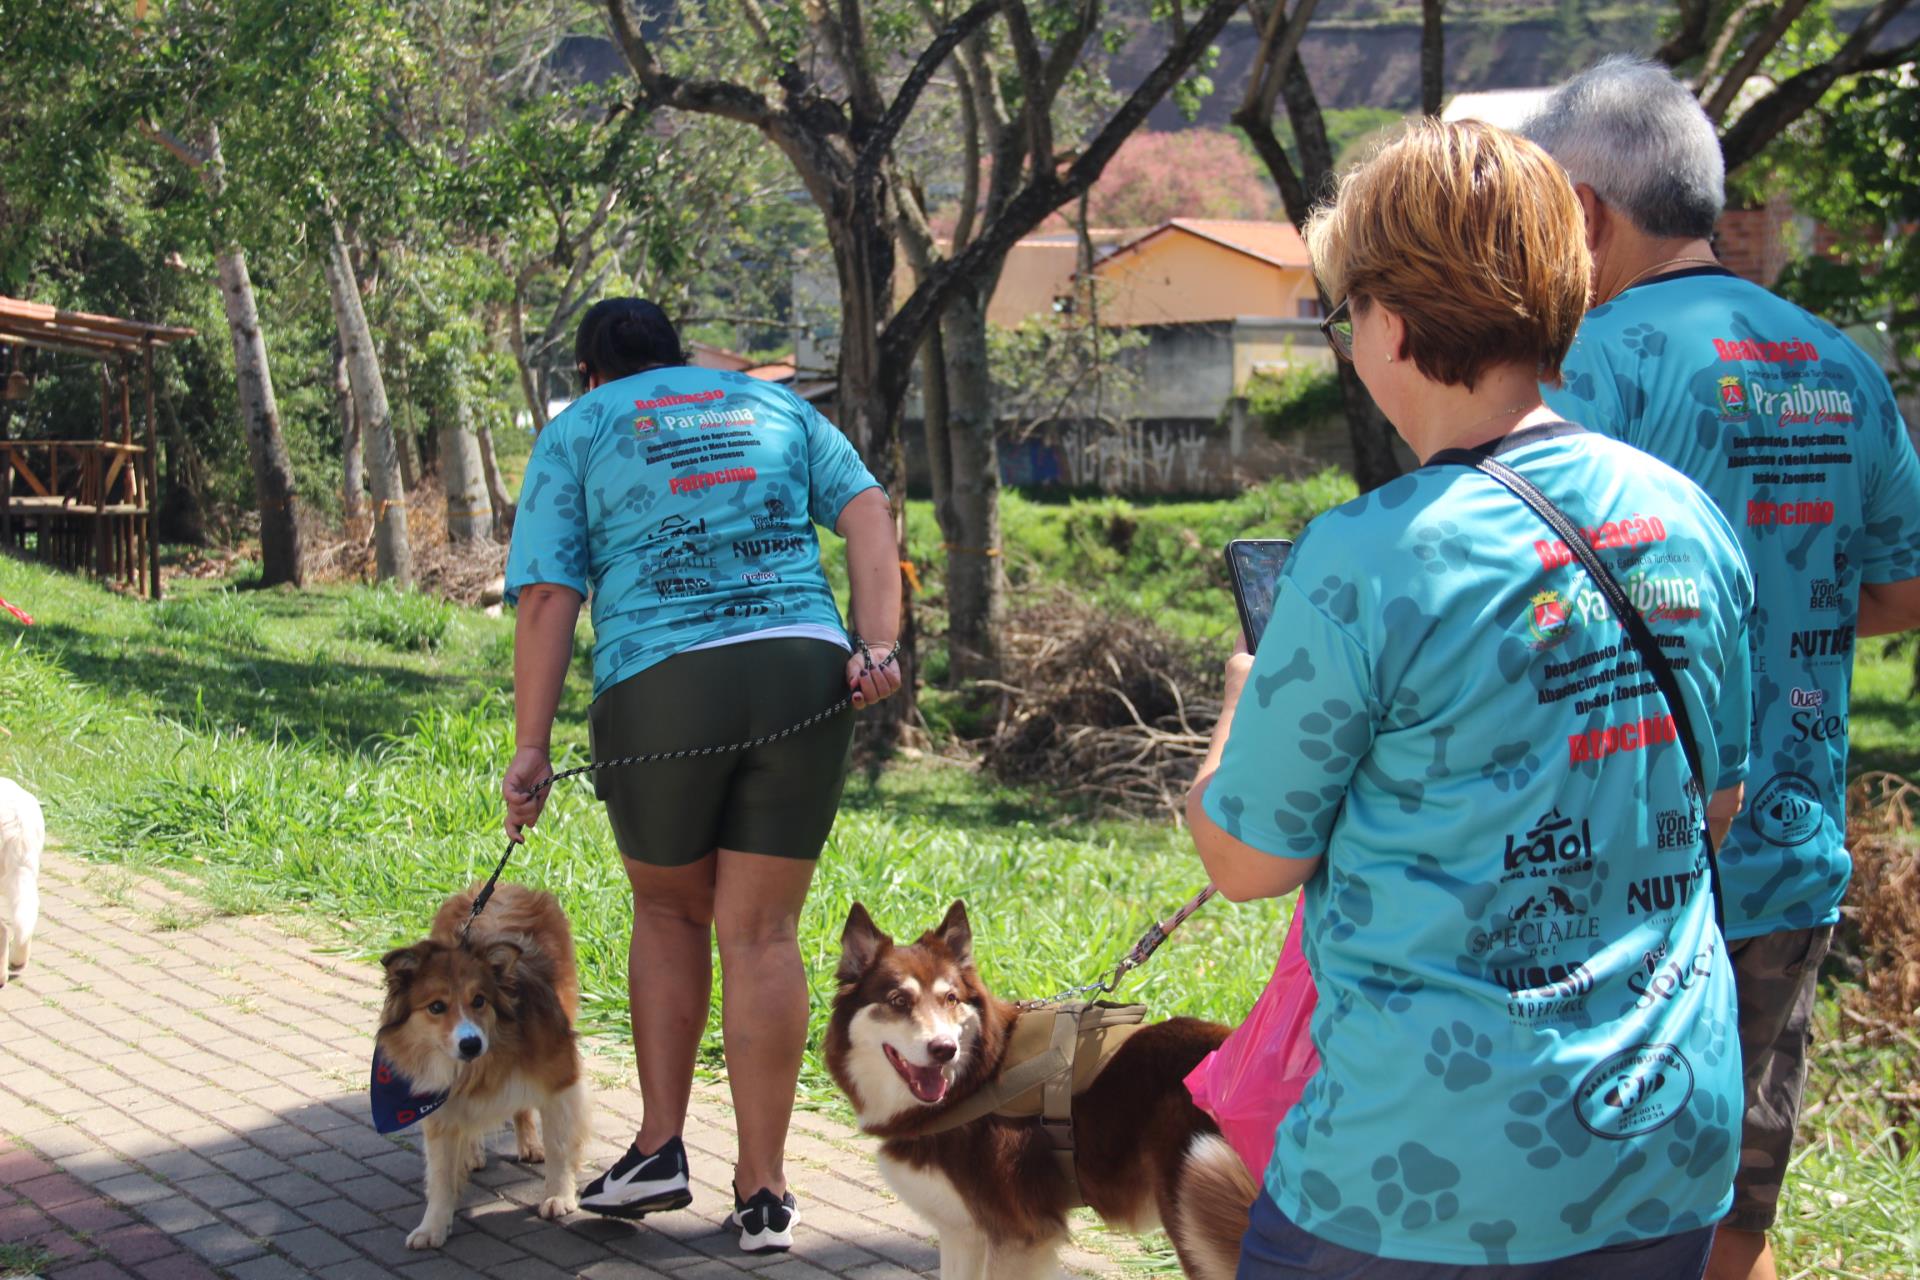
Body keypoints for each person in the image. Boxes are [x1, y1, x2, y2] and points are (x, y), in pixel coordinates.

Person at [1187, 120, 1754, 1278]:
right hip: (1664, 1143)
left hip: (1422, 1173)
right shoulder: (1683, 514)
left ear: (1392, 320)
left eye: (1346, 311)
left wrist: (1234, 718)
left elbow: (1245, 860)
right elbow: (1717, 805)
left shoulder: (1367, 556)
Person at [1522, 58, 1920, 1280]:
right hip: (1787, 852)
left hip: (1616, 865)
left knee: (1586, 1208)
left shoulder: (1583, 364)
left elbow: (1524, 610)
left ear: (1583, 211)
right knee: (1732, 1207)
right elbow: (1903, 592)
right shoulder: (1841, 364)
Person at [501, 298, 902, 1254]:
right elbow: (869, 510)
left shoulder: (580, 428)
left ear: (592, 372)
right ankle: (764, 1192)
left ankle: (659, 1149)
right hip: (803, 672)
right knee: (763, 932)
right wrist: (878, 644)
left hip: (662, 683)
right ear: (678, 358)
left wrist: (531, 747)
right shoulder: (770, 404)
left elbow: (550, 595)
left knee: (671, 911)